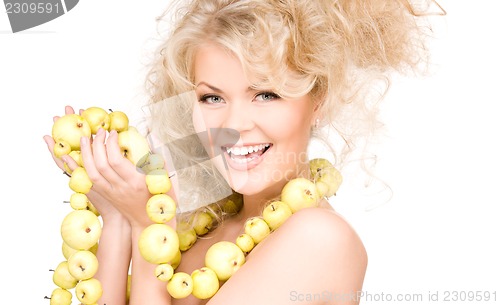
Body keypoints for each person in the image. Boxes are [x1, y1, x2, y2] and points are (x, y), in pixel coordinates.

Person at [44, 0, 444, 304]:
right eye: (212, 98)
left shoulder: (320, 239)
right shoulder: (212, 218)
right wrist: (115, 216)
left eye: (266, 94)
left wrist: (146, 231)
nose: (233, 126)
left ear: (317, 99)